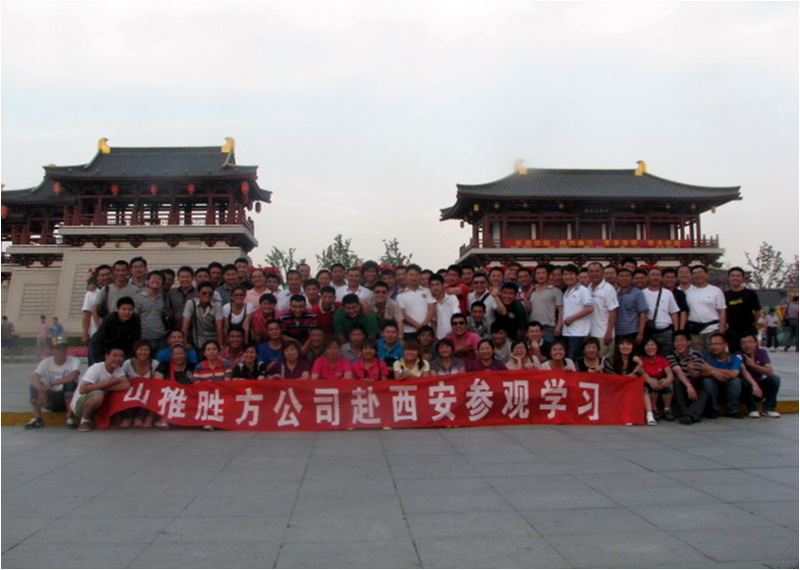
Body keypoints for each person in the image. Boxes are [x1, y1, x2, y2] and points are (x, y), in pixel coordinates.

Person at [24, 338, 81, 430]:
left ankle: (69, 417)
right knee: (33, 386)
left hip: (68, 399)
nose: (62, 351)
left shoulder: (74, 361)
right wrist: (40, 390)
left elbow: (73, 376)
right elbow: (34, 376)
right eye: (58, 348)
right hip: (51, 399)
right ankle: (38, 418)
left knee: (70, 383)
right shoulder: (46, 362)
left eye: (64, 348)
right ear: (52, 350)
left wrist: (51, 384)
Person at [72, 347, 130, 432]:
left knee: (119, 393)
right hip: (81, 403)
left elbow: (126, 385)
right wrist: (107, 384)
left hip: (99, 404)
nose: (118, 359)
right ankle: (84, 421)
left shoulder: (118, 370)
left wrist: (107, 386)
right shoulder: (96, 368)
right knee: (98, 395)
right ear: (107, 356)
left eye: (120, 356)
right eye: (114, 355)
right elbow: (83, 389)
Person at [700, 333, 748, 419]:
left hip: (728, 387)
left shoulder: (734, 358)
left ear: (725, 345)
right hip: (712, 388)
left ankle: (732, 410)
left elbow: (734, 373)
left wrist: (711, 369)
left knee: (736, 381)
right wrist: (712, 373)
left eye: (717, 344)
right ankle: (713, 410)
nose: (714, 347)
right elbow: (700, 373)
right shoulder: (705, 357)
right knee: (707, 381)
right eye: (712, 344)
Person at [667, 330, 709, 425]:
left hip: (694, 384)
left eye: (682, 340)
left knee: (704, 392)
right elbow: (677, 371)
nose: (679, 344)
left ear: (689, 342)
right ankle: (685, 412)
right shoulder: (671, 355)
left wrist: (692, 371)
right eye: (676, 341)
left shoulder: (696, 354)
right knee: (677, 381)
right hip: (682, 387)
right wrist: (688, 386)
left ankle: (689, 415)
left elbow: (697, 375)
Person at [738, 333, 781, 418]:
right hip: (746, 389)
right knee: (742, 381)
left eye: (750, 342)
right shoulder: (739, 355)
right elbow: (744, 371)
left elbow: (769, 371)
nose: (747, 345)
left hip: (759, 389)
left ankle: (769, 408)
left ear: (756, 343)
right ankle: (752, 409)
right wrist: (754, 386)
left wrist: (753, 365)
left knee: (774, 379)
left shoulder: (762, 352)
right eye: (743, 343)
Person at [686, 265, 727, 353]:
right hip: (695, 332)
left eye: (700, 272)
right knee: (696, 356)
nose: (697, 275)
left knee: (713, 355)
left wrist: (721, 332)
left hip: (712, 329)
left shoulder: (716, 291)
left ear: (707, 274)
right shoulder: (688, 293)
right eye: (694, 273)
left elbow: (722, 311)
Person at [119, 340, 160, 428]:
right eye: (140, 350)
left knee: (151, 394)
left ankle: (141, 418)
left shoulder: (155, 363)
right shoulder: (127, 363)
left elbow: (157, 382)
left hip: (148, 391)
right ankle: (127, 417)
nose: (143, 352)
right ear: (135, 351)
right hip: (131, 390)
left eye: (146, 350)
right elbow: (121, 378)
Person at [89, 297, 141, 364]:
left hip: (121, 346)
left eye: (130, 309)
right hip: (101, 346)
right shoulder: (109, 319)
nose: (127, 312)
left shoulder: (135, 319)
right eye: (124, 309)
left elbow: (136, 339)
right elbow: (99, 340)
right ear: (117, 310)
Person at [642, 267, 680, 356]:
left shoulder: (668, 293)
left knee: (667, 357)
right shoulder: (642, 293)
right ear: (647, 278)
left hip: (666, 332)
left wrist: (676, 332)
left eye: (657, 275)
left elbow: (674, 313)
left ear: (661, 278)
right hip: (649, 332)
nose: (655, 277)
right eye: (652, 275)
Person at [561, 264, 594, 360]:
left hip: (578, 333)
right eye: (565, 274)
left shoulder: (583, 290)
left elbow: (590, 308)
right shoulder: (566, 291)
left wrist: (572, 318)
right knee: (567, 361)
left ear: (576, 276)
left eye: (571, 274)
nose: (568, 277)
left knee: (573, 360)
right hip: (566, 332)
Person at [724, 267, 761, 352]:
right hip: (732, 330)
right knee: (734, 354)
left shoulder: (750, 293)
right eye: (733, 276)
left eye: (738, 276)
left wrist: (754, 324)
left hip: (748, 329)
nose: (735, 278)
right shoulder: (725, 295)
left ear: (743, 278)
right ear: (729, 278)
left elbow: (757, 311)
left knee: (750, 353)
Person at [586, 262, 618, 358]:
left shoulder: (608, 289)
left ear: (602, 273)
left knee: (604, 361)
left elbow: (613, 311)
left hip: (603, 334)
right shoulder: (588, 288)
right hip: (590, 333)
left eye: (597, 271)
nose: (594, 274)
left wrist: (609, 332)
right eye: (591, 271)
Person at [134, 270, 170, 353]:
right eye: (153, 278)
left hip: (160, 337)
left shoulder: (164, 298)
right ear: (147, 281)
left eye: (159, 279)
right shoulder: (138, 298)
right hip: (144, 338)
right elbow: (134, 318)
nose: (156, 281)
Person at [397, 264, 435, 341]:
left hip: (426, 330)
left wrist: (424, 325)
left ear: (420, 276)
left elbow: (431, 309)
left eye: (416, 275)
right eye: (411, 275)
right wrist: (417, 325)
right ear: (406, 276)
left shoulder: (427, 291)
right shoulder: (400, 296)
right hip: (409, 332)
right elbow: (403, 314)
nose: (414, 278)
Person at [182, 281, 224, 351]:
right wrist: (184, 343)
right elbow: (185, 324)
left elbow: (219, 327)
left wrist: (220, 345)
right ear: (198, 293)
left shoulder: (217, 306)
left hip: (213, 339)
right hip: (198, 339)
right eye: (204, 293)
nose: (207, 295)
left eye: (210, 294)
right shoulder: (191, 303)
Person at [640, 337, 675, 421]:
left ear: (657, 346)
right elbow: (643, 373)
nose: (650, 347)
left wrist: (668, 380)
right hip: (648, 383)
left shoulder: (663, 360)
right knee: (653, 382)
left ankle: (667, 409)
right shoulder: (641, 361)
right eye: (647, 345)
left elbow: (670, 373)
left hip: (661, 383)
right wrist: (650, 381)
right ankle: (653, 409)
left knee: (668, 385)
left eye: (652, 345)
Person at [529, 264, 563, 343]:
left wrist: (559, 326)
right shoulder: (533, 291)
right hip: (533, 329)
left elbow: (561, 310)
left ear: (548, 275)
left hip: (548, 328)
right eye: (538, 273)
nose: (540, 275)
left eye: (543, 273)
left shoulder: (555, 291)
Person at [615, 268, 648, 346]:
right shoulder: (615, 293)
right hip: (617, 332)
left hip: (632, 331)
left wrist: (640, 333)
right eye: (621, 276)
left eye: (627, 276)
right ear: (617, 278)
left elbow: (643, 314)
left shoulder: (638, 293)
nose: (624, 278)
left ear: (632, 279)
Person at [81, 264, 112, 345]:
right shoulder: (91, 293)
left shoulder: (117, 290)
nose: (105, 277)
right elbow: (87, 314)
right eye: (102, 275)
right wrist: (85, 333)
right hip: (95, 332)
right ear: (97, 278)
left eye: (108, 274)